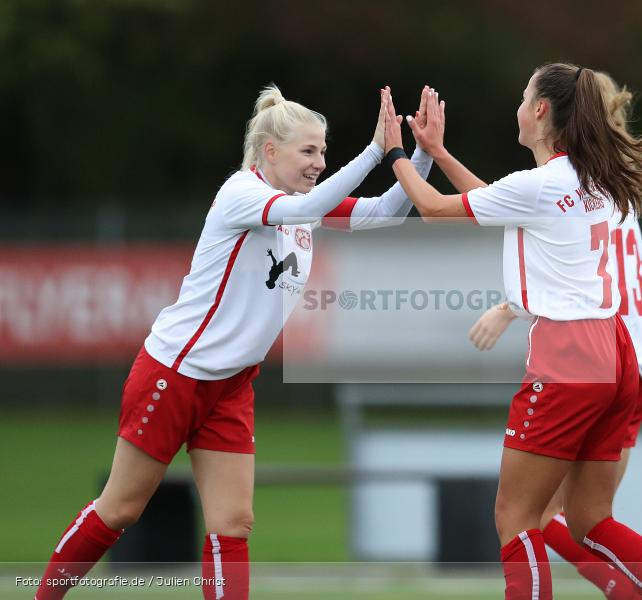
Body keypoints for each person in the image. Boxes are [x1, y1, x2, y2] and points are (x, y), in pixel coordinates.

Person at [33, 84, 436, 600]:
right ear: (270, 152)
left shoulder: (300, 204)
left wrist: (418, 153)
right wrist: (377, 151)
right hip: (176, 372)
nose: (319, 162)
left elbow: (384, 215)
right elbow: (309, 203)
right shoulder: (242, 194)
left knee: (233, 522)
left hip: (230, 384)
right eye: (308, 152)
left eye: (323, 152)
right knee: (121, 508)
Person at [382, 63, 642, 600]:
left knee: (516, 517)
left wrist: (394, 152)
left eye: (523, 97)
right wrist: (439, 154)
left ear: (540, 110)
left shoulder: (544, 184)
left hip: (569, 352)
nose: (518, 107)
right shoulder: (594, 175)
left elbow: (430, 207)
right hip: (619, 350)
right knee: (591, 520)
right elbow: (502, 204)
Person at [468, 71, 642, 600]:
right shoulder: (608, 186)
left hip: (592, 351)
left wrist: (511, 306)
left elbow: (567, 266)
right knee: (587, 520)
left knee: (534, 515)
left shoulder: (574, 185)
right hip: (632, 359)